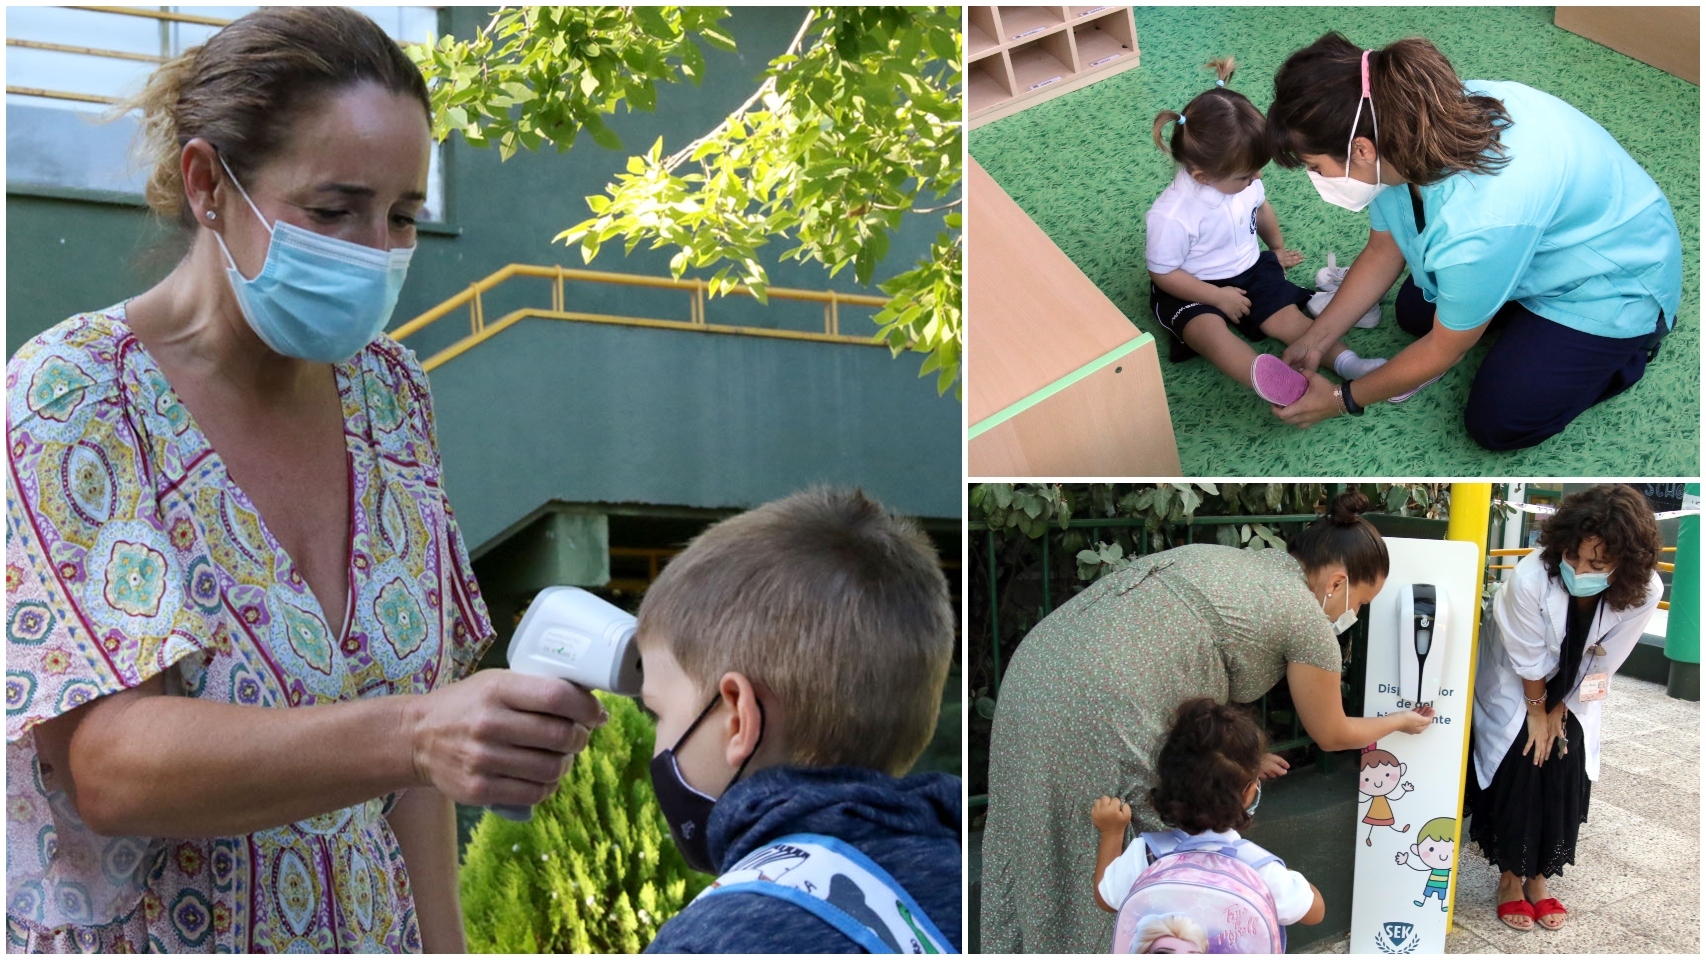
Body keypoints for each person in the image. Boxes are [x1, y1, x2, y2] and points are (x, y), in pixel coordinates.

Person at [5, 9, 604, 952]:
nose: (374, 249)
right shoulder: (73, 395)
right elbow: (108, 768)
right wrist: (412, 732)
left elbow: (421, 761)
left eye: (402, 216)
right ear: (208, 184)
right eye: (333, 210)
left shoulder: (392, 393)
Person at [980, 491, 1436, 953]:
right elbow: (1331, 732)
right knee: (1170, 871)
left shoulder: (1226, 560)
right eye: (1362, 601)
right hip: (1110, 702)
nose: (1353, 615)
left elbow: (1180, 663)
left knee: (1034, 832)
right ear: (1337, 583)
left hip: (1036, 670)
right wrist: (1399, 721)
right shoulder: (1307, 620)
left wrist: (1236, 759)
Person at [1264, 34, 1682, 450]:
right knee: (1414, 311)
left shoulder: (1483, 220)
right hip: (1539, 243)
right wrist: (1315, 339)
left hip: (1613, 279)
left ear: (1361, 149)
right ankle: (1520, 321)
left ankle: (1628, 350)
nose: (1315, 177)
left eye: (1313, 165)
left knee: (1499, 422)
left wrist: (1341, 400)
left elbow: (1446, 351)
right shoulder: (1406, 114)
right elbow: (1382, 250)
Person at [633, 489, 960, 953]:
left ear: (738, 719)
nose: (657, 741)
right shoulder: (966, 884)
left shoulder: (720, 938)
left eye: (657, 712)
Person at [1467, 484, 1663, 932]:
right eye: (1573, 556)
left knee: (1563, 767)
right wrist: (1538, 710)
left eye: (1597, 564)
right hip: (1520, 678)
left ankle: (1539, 879)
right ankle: (1511, 881)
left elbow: (1606, 659)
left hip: (1578, 682)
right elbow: (1528, 657)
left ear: (1624, 565)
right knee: (1523, 760)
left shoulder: (1644, 589)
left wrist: (1563, 710)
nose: (1580, 569)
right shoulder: (1531, 577)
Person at [1145, 58, 1393, 406]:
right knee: (1208, 333)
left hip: (1249, 270)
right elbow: (1163, 272)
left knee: (1288, 319)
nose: (1257, 180)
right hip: (1191, 285)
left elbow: (1260, 209)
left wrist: (1275, 249)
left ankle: (1348, 363)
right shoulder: (1171, 215)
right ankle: (1269, 378)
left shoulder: (1241, 182)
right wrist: (1215, 297)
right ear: (1202, 177)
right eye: (1247, 176)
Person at [1091, 699, 1326, 931]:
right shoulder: (1258, 869)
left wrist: (1112, 832)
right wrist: (1281, 872)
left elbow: (1106, 898)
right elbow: (1315, 912)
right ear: (1248, 793)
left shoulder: (1146, 854)